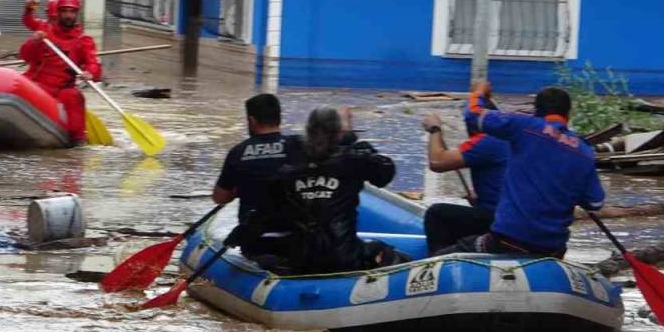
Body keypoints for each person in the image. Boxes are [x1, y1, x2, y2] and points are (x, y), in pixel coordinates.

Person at [436, 82, 605, 258]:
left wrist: (478, 92)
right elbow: (595, 203)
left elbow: (473, 115)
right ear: (568, 115)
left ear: (536, 111)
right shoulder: (584, 152)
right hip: (553, 249)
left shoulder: (524, 125)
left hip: (508, 240)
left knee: (443, 253)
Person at [258, 107, 407, 274]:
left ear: (307, 131)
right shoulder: (352, 160)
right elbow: (385, 175)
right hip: (345, 258)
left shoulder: (288, 170)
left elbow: (270, 210)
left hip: (301, 260)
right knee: (385, 251)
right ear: (338, 133)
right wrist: (362, 149)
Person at [211, 93, 303, 261]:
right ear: (279, 118)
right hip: (297, 239)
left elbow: (220, 198)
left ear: (252, 120)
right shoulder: (299, 146)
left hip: (254, 242)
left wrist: (238, 189)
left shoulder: (238, 152)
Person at [420, 112, 509, 254]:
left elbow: (437, 162)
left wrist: (435, 129)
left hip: (500, 220)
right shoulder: (527, 142)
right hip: (521, 217)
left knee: (436, 214)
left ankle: (439, 261)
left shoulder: (489, 141)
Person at [18, 0, 100, 145]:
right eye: (64, 11)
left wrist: (90, 72)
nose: (68, 15)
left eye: (72, 12)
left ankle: (77, 143)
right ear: (58, 12)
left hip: (61, 90)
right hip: (38, 85)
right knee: (22, 87)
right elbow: (26, 55)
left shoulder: (83, 41)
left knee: (74, 96)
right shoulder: (44, 30)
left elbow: (93, 63)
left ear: (77, 13)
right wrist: (34, 41)